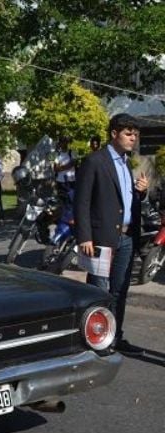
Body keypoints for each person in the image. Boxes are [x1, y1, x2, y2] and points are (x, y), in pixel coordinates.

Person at [75, 114, 148, 355]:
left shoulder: (127, 163)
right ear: (114, 133)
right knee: (99, 290)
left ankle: (115, 336)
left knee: (119, 290)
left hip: (126, 238)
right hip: (101, 238)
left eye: (135, 134)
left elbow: (125, 202)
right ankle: (94, 339)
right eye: (129, 133)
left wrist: (141, 193)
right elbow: (82, 201)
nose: (133, 138)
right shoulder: (95, 161)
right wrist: (84, 236)